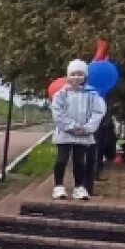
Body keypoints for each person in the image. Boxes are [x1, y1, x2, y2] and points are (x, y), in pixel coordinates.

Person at [50, 59, 106, 200]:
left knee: (80, 161)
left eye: (80, 74)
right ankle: (58, 186)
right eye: (73, 74)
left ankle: (79, 187)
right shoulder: (61, 94)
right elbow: (58, 113)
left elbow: (98, 112)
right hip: (64, 134)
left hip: (83, 135)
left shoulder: (92, 95)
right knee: (62, 160)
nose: (76, 77)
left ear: (85, 76)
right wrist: (71, 127)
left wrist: (87, 128)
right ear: (68, 76)